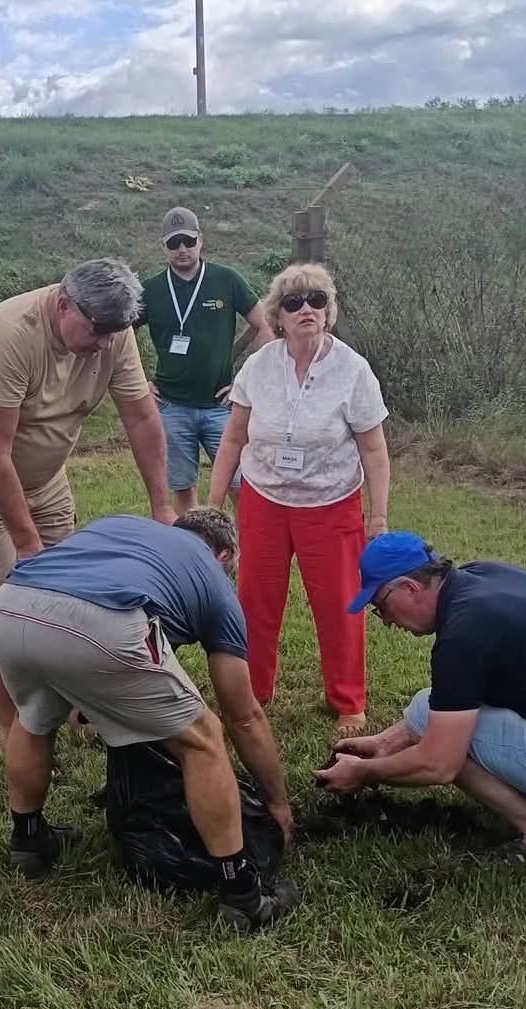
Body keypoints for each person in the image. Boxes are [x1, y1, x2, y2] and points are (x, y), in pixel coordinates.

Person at [0, 509, 298, 931]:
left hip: (9, 604)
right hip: (100, 620)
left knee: (33, 719)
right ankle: (242, 895)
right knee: (204, 738)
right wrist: (277, 803)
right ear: (224, 555)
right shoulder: (213, 576)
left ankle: (28, 843)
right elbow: (243, 716)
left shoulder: (124, 528)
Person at [0, 258, 175, 752]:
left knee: (70, 593)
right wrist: (28, 545)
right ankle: (12, 725)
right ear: (63, 305)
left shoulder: (113, 332)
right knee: (1, 599)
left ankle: (75, 705)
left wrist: (162, 507)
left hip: (45, 477)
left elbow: (142, 418)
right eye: (97, 330)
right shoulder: (8, 334)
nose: (105, 343)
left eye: (115, 332)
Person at [318, 532, 526, 863]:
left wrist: (364, 773)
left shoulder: (463, 635)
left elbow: (438, 764)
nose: (387, 621)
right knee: (432, 708)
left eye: (381, 606)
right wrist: (384, 745)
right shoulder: (483, 577)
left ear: (410, 588)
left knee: (444, 744)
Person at [208, 263, 390, 737]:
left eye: (316, 300)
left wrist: (379, 516)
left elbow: (373, 449)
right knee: (255, 600)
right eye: (293, 302)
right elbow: (234, 438)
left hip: (331, 504)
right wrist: (213, 504)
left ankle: (348, 701)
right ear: (278, 315)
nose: (306, 308)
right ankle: (253, 691)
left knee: (340, 604)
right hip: (263, 499)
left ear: (328, 310)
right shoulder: (258, 366)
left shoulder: (353, 370)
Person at [135, 206, 272, 513]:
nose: (182, 249)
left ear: (201, 240)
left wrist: (249, 382)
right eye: (174, 243)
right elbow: (119, 335)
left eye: (188, 240)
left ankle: (245, 544)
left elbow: (264, 324)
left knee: (240, 486)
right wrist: (138, 382)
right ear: (164, 247)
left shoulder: (227, 279)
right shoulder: (151, 290)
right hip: (171, 406)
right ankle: (193, 543)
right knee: (184, 488)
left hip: (221, 406)